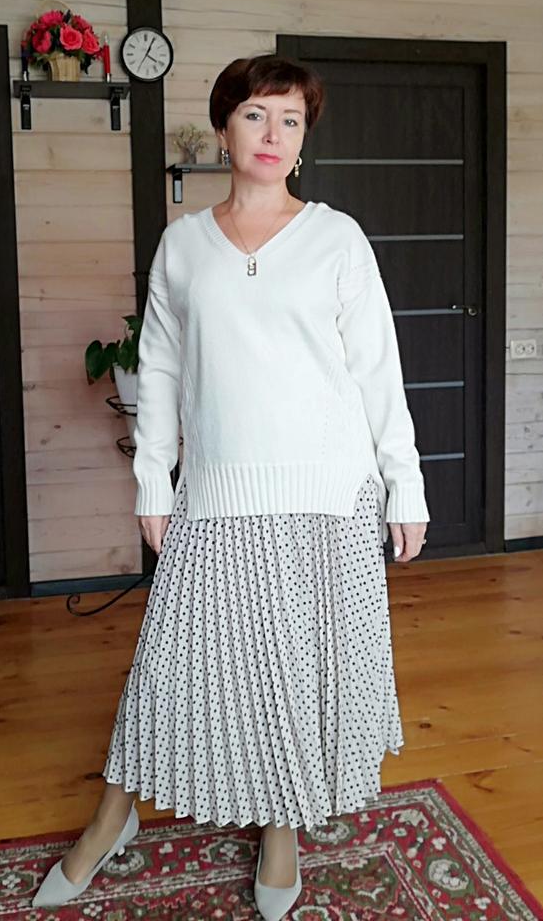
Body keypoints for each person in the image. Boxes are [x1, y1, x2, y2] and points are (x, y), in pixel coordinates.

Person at [33, 53, 430, 919]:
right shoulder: (183, 245)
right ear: (223, 129)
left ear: (303, 139)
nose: (272, 133)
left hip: (329, 495)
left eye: (290, 119)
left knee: (296, 673)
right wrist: (153, 480)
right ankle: (112, 817)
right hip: (216, 492)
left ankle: (280, 827)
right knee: (168, 669)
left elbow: (377, 370)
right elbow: (159, 369)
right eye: (255, 114)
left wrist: (405, 485)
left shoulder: (336, 238)